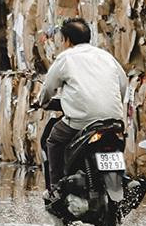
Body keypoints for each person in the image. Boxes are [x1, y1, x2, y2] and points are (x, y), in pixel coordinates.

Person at [39, 18, 128, 196]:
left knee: (53, 140)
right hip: (113, 119)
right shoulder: (106, 56)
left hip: (81, 121)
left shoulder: (65, 58)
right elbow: (123, 83)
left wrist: (41, 102)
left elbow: (48, 87)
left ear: (67, 40)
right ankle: (121, 178)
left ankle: (55, 188)